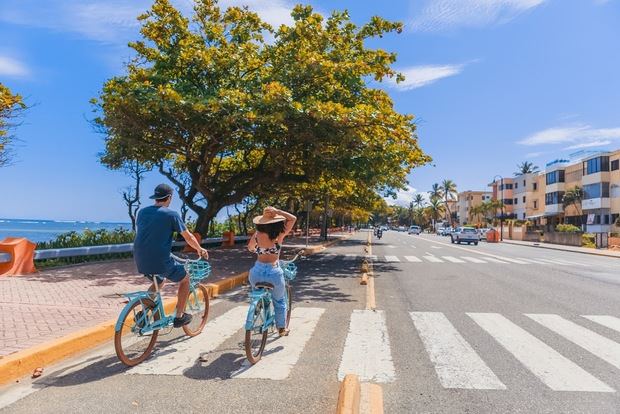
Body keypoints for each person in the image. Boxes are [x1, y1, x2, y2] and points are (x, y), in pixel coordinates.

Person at [133, 184, 209, 328]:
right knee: (186, 279)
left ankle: (143, 313)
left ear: (155, 197)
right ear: (169, 197)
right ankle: (179, 316)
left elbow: (149, 233)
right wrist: (200, 249)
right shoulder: (171, 215)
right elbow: (188, 237)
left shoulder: (142, 212)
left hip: (140, 258)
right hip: (160, 259)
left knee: (159, 281)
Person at [247, 206, 296, 337]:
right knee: (279, 301)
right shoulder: (279, 234)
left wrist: (256, 249)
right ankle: (281, 328)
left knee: (255, 289)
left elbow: (250, 247)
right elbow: (293, 219)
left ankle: (258, 304)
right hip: (274, 272)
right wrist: (278, 212)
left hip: (256, 272)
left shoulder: (257, 235)